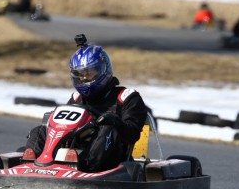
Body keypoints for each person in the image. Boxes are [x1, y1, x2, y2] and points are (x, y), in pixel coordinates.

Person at [25, 34, 149, 173]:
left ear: (103, 70)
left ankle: (84, 166)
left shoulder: (126, 97)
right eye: (80, 74)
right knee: (41, 129)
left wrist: (114, 121)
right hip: (73, 148)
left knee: (107, 129)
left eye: (89, 73)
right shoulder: (77, 98)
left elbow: (132, 134)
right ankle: (33, 162)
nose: (84, 78)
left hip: (111, 157)